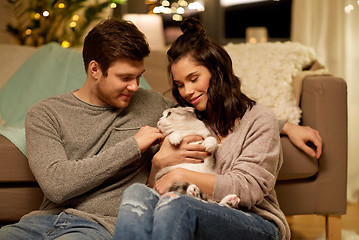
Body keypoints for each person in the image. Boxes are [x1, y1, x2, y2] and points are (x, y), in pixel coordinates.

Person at [0, 17, 320, 240]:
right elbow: (57, 185)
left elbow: (243, 122)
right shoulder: (45, 113)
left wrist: (286, 124)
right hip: (43, 221)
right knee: (143, 193)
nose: (135, 86)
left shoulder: (152, 105)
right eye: (126, 78)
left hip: (104, 226)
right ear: (95, 70)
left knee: (168, 205)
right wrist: (142, 152)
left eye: (139, 76)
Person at [113, 18, 297, 240]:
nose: (187, 91)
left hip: (254, 221)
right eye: (180, 84)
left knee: (178, 206)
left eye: (194, 79)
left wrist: (180, 174)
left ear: (217, 71)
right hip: (191, 206)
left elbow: (248, 189)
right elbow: (160, 188)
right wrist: (158, 164)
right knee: (137, 192)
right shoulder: (186, 119)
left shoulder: (259, 119)